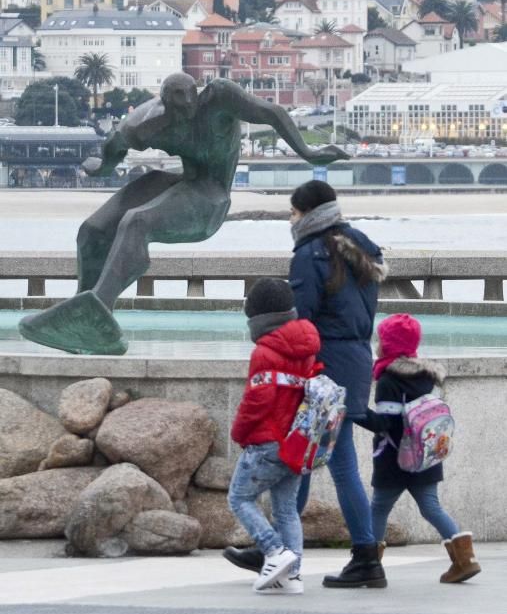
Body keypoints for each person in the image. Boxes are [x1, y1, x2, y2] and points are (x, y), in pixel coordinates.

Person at [19, 75, 345, 356]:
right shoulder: (148, 122)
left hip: (211, 197)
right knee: (93, 230)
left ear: (198, 97)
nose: (183, 117)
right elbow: (115, 144)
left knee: (137, 221)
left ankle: (96, 310)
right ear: (164, 106)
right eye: (175, 112)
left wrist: (309, 152)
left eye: (188, 107)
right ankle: (81, 315)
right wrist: (102, 167)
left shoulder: (221, 98)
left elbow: (271, 113)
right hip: (181, 182)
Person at [225, 180, 388, 588]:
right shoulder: (361, 246)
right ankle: (278, 550)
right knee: (302, 457)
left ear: (308, 213)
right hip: (355, 358)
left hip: (321, 365)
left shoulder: (310, 254)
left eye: (293, 213)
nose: (291, 220)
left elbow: (303, 316)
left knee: (333, 461)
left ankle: (365, 556)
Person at [356, 313, 481, 583]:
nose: (377, 344)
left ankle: (370, 565)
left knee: (378, 509)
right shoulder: (426, 376)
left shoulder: (389, 380)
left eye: (381, 339)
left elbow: (385, 423)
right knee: (431, 506)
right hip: (427, 456)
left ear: (388, 345)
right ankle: (466, 559)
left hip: (394, 459)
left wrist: (357, 412)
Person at [227, 277, 320, 595]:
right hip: (296, 443)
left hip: (266, 442)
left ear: (259, 318)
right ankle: (292, 576)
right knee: (286, 509)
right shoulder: (308, 346)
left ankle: (274, 551)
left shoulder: (264, 353)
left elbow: (257, 401)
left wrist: (238, 432)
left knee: (239, 498)